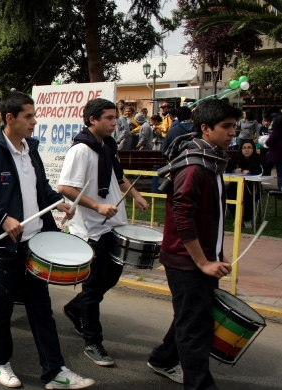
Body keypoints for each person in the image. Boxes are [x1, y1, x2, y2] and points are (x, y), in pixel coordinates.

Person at [0, 91, 94, 389]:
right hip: (3, 245)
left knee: (40, 308)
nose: (35, 121)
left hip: (34, 242)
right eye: (29, 116)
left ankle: (55, 371)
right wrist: (1, 216)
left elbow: (39, 186)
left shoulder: (30, 149)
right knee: (2, 308)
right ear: (10, 118)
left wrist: (57, 200)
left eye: (34, 115)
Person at [148, 99, 238, 389]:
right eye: (226, 127)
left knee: (191, 316)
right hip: (187, 260)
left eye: (234, 127)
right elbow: (183, 216)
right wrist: (202, 262)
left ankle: (163, 358)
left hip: (201, 258)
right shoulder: (196, 166)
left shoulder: (211, 160)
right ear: (205, 128)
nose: (232, 133)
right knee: (195, 327)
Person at [58, 98, 148, 367]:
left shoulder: (107, 147)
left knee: (113, 275)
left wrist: (138, 196)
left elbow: (119, 179)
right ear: (92, 120)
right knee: (94, 285)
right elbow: (66, 188)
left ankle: (76, 308)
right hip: (92, 230)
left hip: (113, 225)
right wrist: (97, 205)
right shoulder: (82, 150)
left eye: (114, 116)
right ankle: (92, 341)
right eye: (108, 117)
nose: (114, 121)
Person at [225, 139, 263, 228]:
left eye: (249, 147)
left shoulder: (259, 158)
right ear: (241, 149)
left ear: (253, 149)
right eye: (244, 148)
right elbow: (227, 168)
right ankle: (237, 218)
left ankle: (247, 219)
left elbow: (265, 171)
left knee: (248, 199)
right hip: (236, 185)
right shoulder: (236, 158)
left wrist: (250, 171)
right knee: (230, 195)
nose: (246, 150)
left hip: (252, 186)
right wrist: (234, 170)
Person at [265, 115, 282, 191]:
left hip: (278, 156)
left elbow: (268, 142)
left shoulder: (275, 132)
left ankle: (280, 190)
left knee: (280, 174)